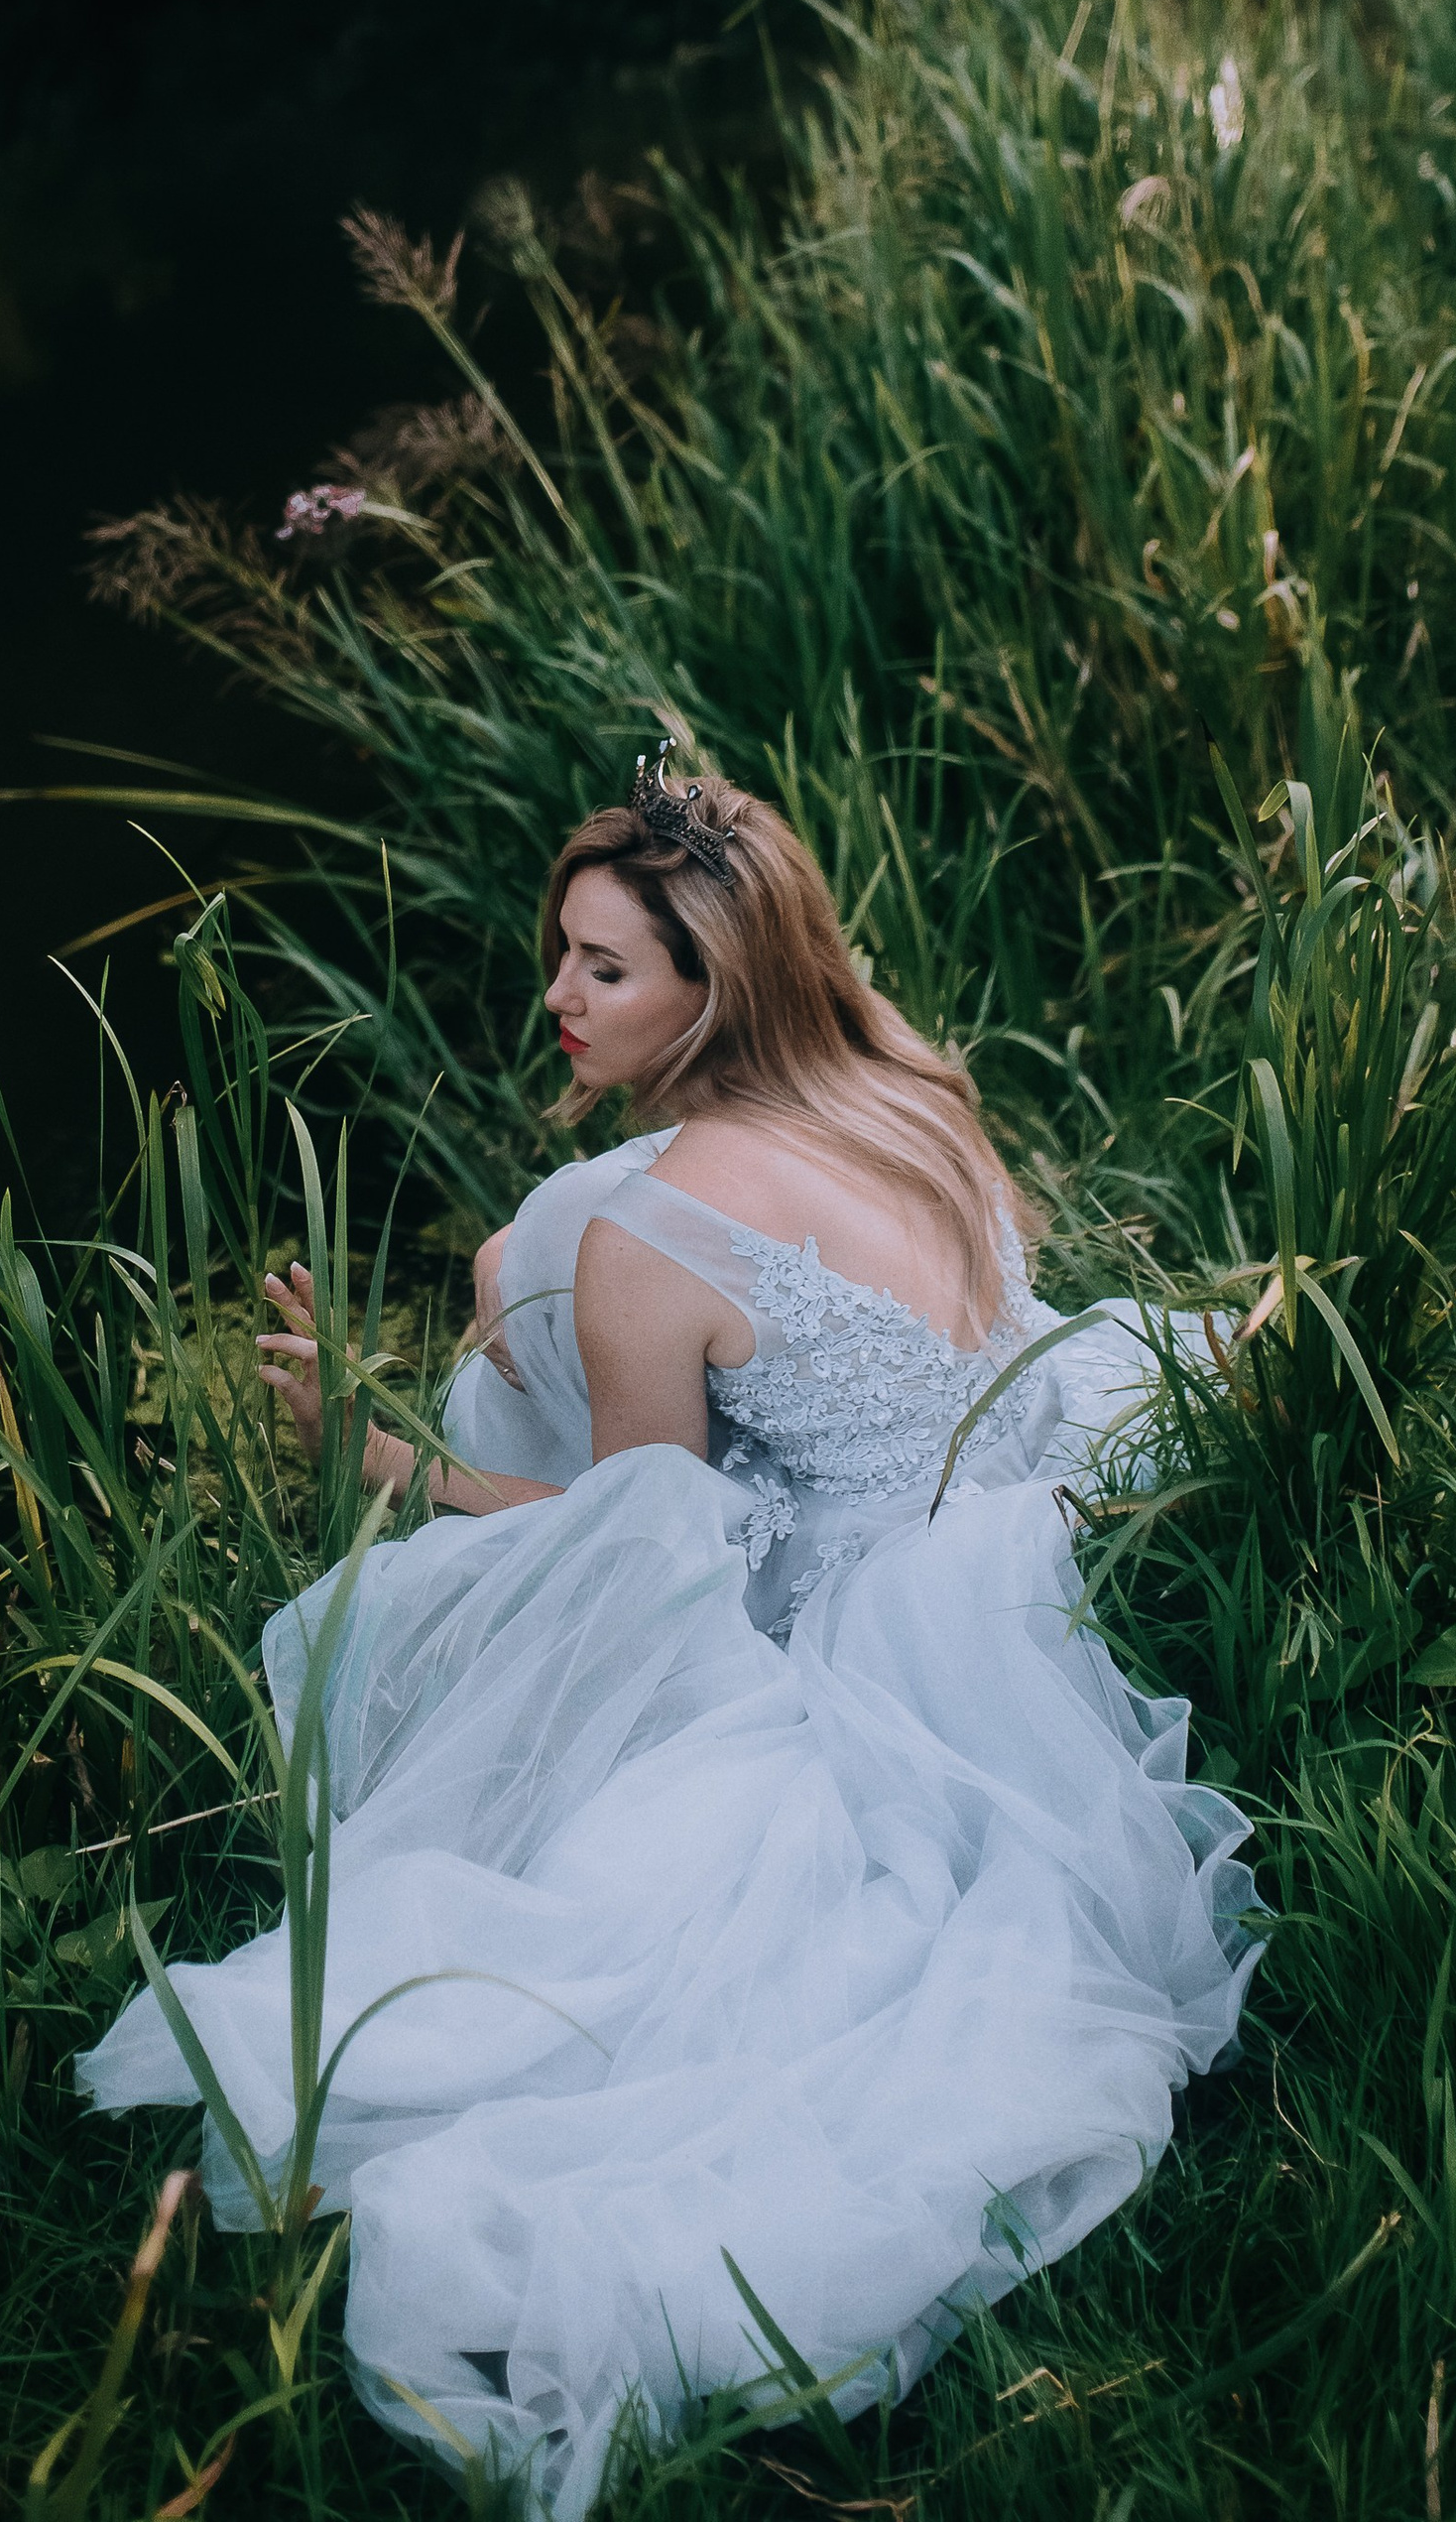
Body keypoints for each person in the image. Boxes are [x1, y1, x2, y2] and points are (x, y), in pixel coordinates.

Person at [78, 749, 1259, 2514]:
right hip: (1017, 1494)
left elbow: (638, 1555)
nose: (554, 996)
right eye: (560, 951)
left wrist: (380, 1461)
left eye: (603, 970)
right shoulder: (908, 1084)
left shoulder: (650, 1240)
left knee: (526, 1381)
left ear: (717, 989)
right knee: (520, 1260)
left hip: (865, 1606)